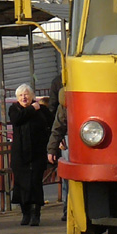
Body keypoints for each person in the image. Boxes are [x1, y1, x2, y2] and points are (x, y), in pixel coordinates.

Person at [9, 84, 52, 226]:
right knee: (21, 184)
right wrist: (32, 109)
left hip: (37, 153)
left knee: (35, 183)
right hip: (20, 155)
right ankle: (25, 213)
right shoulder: (14, 109)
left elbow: (50, 124)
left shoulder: (42, 110)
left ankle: (35, 214)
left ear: (32, 96)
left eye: (26, 95)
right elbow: (17, 120)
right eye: (21, 95)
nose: (24, 97)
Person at [47, 87, 69, 222]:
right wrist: (52, 149)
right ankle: (68, 209)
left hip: (71, 140)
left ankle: (68, 210)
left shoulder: (64, 97)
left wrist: (52, 150)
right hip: (71, 141)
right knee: (68, 178)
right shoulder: (64, 100)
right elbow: (58, 127)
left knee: (68, 178)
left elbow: (58, 127)